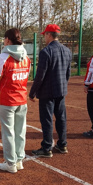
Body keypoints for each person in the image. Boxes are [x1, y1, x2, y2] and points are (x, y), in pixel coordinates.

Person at [0, 28, 31, 173]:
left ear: (7, 40)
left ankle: (11, 163)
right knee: (20, 131)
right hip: (21, 98)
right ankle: (19, 160)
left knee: (8, 132)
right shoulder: (26, 57)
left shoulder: (3, 57)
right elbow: (26, 75)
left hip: (7, 99)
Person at [29, 24, 72, 158]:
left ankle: (47, 147)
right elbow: (68, 73)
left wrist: (32, 92)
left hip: (47, 92)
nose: (44, 38)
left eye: (45, 35)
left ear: (49, 34)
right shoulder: (67, 51)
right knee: (61, 118)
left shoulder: (46, 51)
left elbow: (40, 75)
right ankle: (62, 144)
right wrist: (63, 86)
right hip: (61, 90)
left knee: (47, 119)